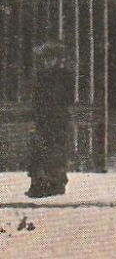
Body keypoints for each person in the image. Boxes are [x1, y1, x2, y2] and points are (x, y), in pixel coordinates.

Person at [26, 41, 72, 199]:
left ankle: (56, 184)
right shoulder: (40, 76)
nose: (48, 61)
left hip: (58, 119)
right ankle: (39, 184)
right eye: (46, 58)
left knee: (56, 152)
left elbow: (67, 98)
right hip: (43, 119)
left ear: (58, 59)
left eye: (51, 58)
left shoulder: (64, 76)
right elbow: (36, 99)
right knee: (40, 151)